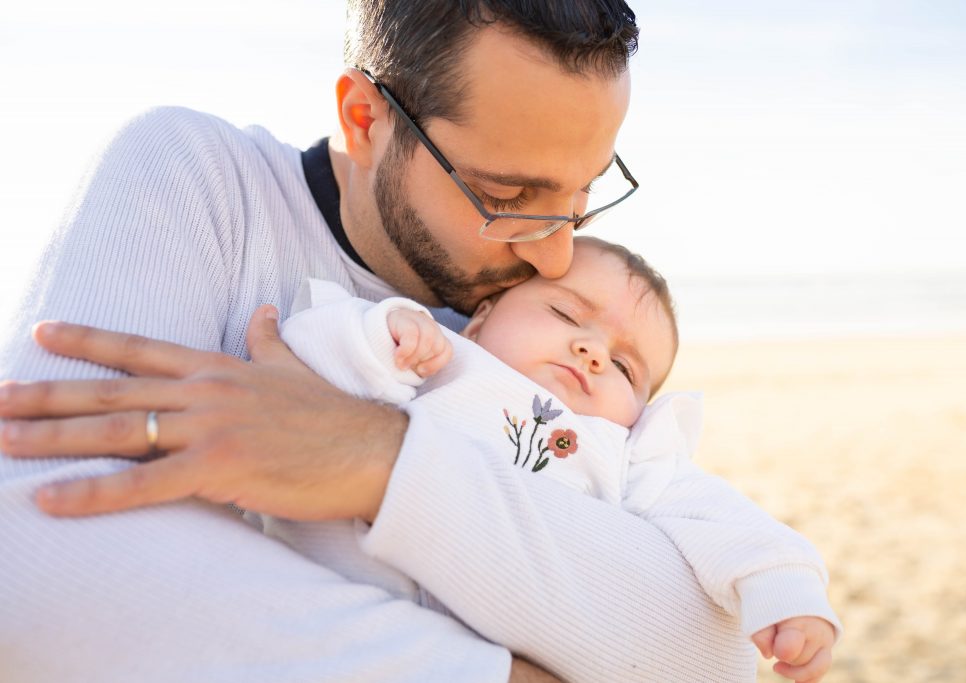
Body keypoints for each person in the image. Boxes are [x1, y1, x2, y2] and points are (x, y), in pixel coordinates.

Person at [0, 1, 829, 681]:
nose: (557, 255)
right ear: (364, 117)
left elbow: (708, 656)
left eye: (582, 196)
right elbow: (32, 558)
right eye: (510, 194)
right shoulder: (203, 180)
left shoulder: (549, 320)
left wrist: (376, 461)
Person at [264, 236, 840, 682]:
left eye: (624, 368)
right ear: (484, 315)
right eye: (566, 316)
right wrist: (381, 330)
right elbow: (308, 347)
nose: (592, 352)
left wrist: (785, 588)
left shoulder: (623, 449)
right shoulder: (440, 358)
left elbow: (717, 516)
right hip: (341, 619)